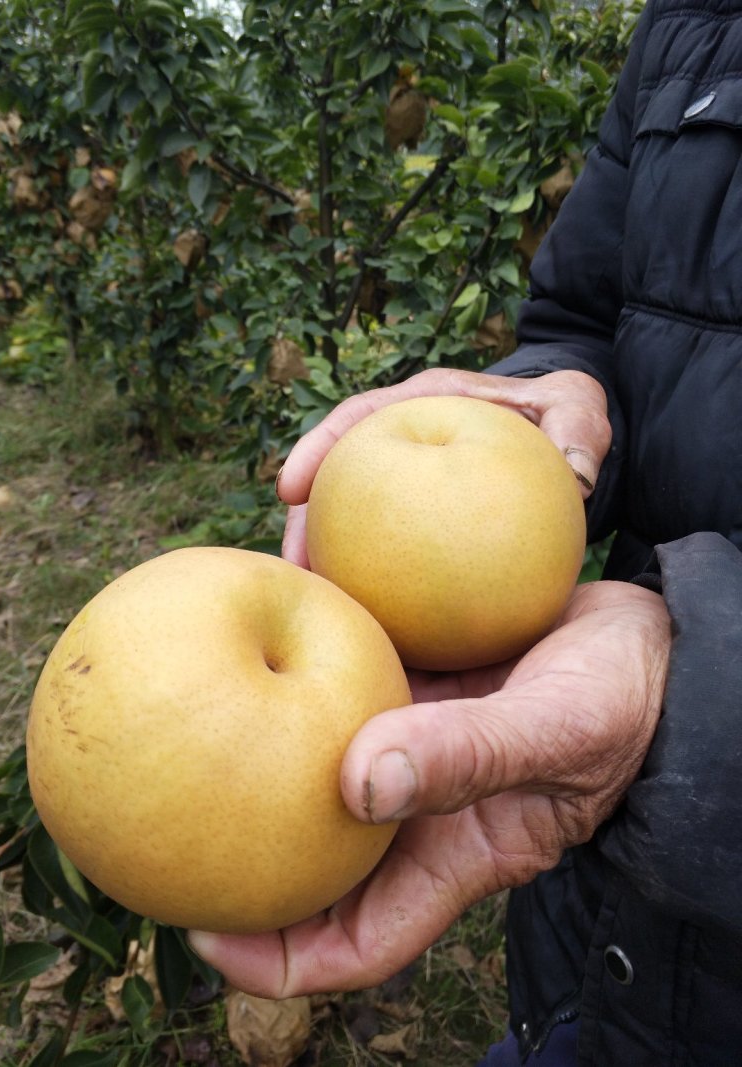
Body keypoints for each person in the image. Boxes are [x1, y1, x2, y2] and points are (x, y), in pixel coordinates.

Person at [189, 1, 742, 1061]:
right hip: (594, 916)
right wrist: (552, 401)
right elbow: (584, 318)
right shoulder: (689, 26)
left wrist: (699, 710)